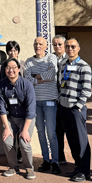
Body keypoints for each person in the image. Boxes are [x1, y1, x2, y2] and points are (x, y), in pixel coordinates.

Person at [23, 37, 61, 175]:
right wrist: (42, 78)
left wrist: (36, 77)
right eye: (35, 44)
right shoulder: (29, 61)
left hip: (50, 101)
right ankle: (46, 159)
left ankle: (55, 161)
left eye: (40, 44)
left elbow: (52, 74)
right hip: (35, 102)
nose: (37, 46)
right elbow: (27, 78)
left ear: (46, 46)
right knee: (40, 132)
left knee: (51, 132)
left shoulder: (51, 58)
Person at [58, 38, 92, 182]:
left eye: (73, 46)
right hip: (64, 107)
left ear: (78, 48)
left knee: (81, 140)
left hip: (76, 109)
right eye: (67, 47)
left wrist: (79, 105)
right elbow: (60, 84)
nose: (70, 49)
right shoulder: (63, 64)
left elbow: (86, 90)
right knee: (71, 139)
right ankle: (77, 167)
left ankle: (85, 171)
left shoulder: (84, 66)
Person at [0, 58, 37, 180]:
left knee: (23, 143)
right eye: (8, 68)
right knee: (7, 141)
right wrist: (6, 128)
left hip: (26, 119)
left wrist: (24, 130)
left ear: (19, 69)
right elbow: (2, 109)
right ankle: (13, 167)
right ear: (5, 70)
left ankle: (29, 167)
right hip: (11, 118)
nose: (11, 70)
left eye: (14, 67)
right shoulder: (2, 85)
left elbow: (31, 110)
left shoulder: (27, 84)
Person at [51, 35, 68, 165]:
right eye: (55, 44)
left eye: (59, 44)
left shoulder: (70, 59)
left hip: (67, 99)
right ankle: (59, 156)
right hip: (53, 100)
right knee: (57, 130)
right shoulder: (49, 59)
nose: (57, 47)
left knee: (70, 130)